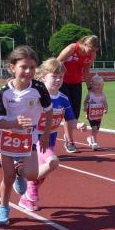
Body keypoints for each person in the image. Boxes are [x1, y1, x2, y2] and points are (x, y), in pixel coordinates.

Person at [0, 46, 53, 226]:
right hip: (7, 136)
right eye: (24, 67)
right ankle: (3, 208)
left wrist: (45, 135)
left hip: (29, 135)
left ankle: (20, 171)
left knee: (32, 174)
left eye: (32, 67)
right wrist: (15, 123)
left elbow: (49, 111)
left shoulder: (39, 88)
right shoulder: (4, 92)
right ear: (12, 67)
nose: (28, 71)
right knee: (7, 177)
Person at [19, 58, 80, 212]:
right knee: (53, 163)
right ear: (43, 77)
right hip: (34, 139)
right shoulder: (36, 96)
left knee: (43, 172)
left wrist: (78, 125)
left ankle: (26, 198)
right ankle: (29, 183)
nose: (58, 80)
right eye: (54, 76)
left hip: (50, 141)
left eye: (61, 77)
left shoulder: (63, 99)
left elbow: (71, 120)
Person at [57, 35, 99, 152]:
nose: (92, 52)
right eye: (90, 49)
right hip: (63, 83)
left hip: (76, 83)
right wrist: (57, 80)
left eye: (95, 50)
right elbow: (57, 62)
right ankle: (70, 142)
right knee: (68, 112)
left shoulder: (92, 55)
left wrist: (89, 88)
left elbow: (86, 70)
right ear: (85, 44)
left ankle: (67, 135)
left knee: (75, 114)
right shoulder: (72, 48)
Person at [83, 74, 108, 150]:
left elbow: (105, 103)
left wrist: (106, 109)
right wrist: (85, 107)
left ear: (102, 86)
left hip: (98, 115)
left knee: (96, 129)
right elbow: (85, 101)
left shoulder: (103, 95)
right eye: (95, 85)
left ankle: (90, 139)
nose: (97, 87)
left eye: (99, 85)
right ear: (91, 85)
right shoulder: (90, 94)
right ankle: (94, 143)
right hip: (91, 115)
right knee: (94, 128)